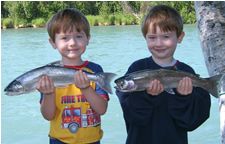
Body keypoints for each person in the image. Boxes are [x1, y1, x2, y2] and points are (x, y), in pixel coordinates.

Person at [116, 5, 211, 144]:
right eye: (152, 37)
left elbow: (193, 122)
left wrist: (183, 98)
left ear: (180, 37)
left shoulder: (187, 73)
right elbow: (132, 115)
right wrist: (147, 96)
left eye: (166, 36)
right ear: (145, 37)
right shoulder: (136, 69)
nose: (159, 43)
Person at [36, 8, 109, 144]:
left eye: (79, 36)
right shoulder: (48, 73)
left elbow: (102, 109)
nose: (72, 43)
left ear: (88, 39)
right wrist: (48, 94)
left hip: (91, 140)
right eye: (64, 38)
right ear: (53, 42)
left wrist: (86, 89)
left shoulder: (95, 70)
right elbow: (48, 115)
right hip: (59, 140)